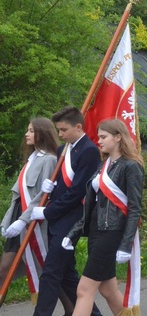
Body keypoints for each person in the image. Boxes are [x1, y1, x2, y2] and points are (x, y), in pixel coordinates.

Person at [64, 119, 143, 316]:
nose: (99, 141)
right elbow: (92, 206)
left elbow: (134, 209)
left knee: (84, 289)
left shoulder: (131, 166)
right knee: (107, 289)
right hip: (97, 231)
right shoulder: (104, 165)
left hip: (112, 232)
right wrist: (73, 233)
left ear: (118, 137)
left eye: (103, 137)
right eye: (99, 137)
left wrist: (125, 244)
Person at [30, 106, 103, 316]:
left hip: (73, 219)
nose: (60, 134)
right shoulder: (63, 150)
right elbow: (63, 184)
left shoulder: (89, 150)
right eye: (58, 130)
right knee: (67, 275)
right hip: (58, 219)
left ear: (78, 126)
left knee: (51, 273)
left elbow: (78, 191)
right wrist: (50, 190)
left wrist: (47, 212)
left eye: (63, 130)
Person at [0, 118, 75, 314]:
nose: (27, 134)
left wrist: (22, 220)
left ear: (42, 133)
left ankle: (71, 308)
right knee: (3, 270)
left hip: (33, 223)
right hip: (19, 221)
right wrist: (8, 220)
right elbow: (17, 196)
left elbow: (43, 196)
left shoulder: (49, 160)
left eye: (31, 131)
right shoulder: (31, 159)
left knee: (45, 271)